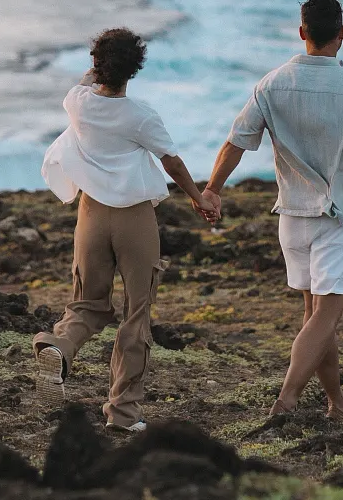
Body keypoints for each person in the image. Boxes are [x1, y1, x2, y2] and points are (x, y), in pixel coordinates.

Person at [202, 0, 343, 418]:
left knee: (314, 316)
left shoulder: (272, 83)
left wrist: (213, 189)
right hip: (338, 216)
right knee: (326, 316)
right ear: (341, 35)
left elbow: (237, 142)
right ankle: (286, 399)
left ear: (302, 33)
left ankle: (337, 402)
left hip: (292, 217)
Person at [33, 26, 216, 433]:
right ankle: (122, 413)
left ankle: (59, 345)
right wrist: (198, 197)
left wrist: (97, 68)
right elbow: (172, 162)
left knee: (87, 305)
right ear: (134, 69)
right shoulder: (141, 116)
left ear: (97, 65)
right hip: (133, 219)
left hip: (91, 217)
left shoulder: (76, 102)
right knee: (136, 313)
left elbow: (85, 80)